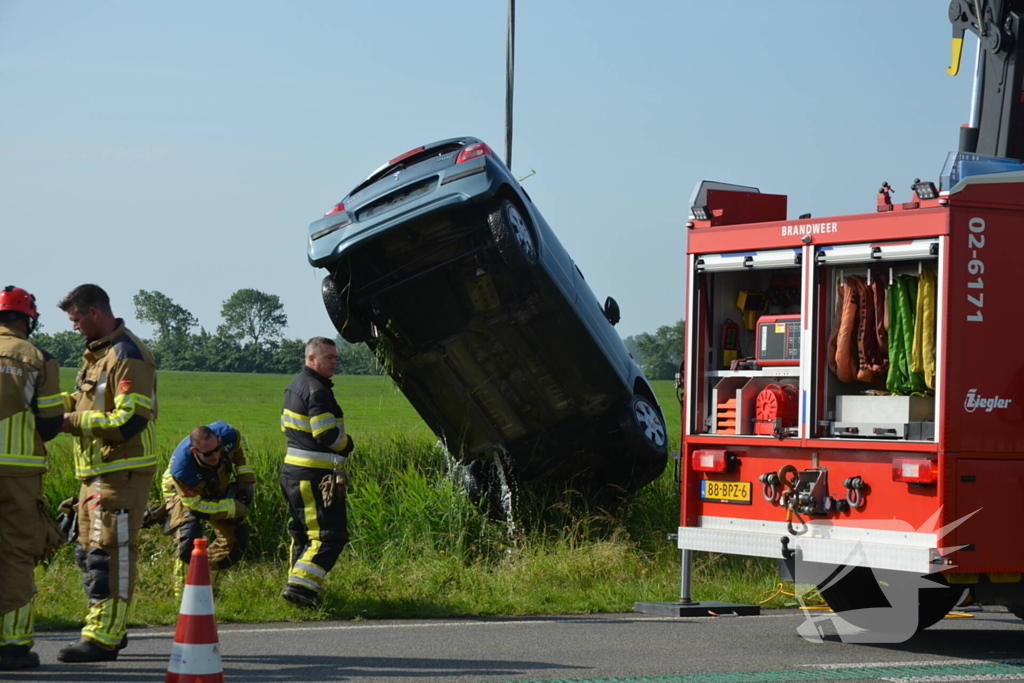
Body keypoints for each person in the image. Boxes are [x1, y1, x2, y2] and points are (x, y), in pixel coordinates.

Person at [56, 284, 158, 663]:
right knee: (88, 553)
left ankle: (104, 637)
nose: (74, 327)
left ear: (95, 313)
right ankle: (109, 626)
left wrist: (71, 422)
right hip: (97, 473)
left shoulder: (127, 355)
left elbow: (130, 419)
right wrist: (52, 408)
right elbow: (86, 400)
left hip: (122, 472)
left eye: (76, 319)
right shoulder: (98, 355)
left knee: (109, 555)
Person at [0, 286, 63, 671]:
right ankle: (12, 647)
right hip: (17, 473)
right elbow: (52, 422)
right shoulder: (37, 357)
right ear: (28, 320)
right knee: (16, 555)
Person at [279, 336, 354, 608]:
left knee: (303, 534)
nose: (334, 362)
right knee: (330, 535)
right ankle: (301, 588)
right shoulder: (317, 390)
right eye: (328, 357)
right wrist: (347, 444)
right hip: (312, 475)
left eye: (335, 357)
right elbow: (325, 434)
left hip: (294, 472)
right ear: (311, 359)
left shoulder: (296, 385)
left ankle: (296, 589)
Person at [161, 422, 255, 598]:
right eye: (208, 454)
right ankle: (182, 596)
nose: (215, 456)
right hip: (182, 494)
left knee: (237, 539)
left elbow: (241, 449)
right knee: (189, 540)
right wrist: (231, 507)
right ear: (195, 452)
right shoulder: (182, 472)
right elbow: (196, 506)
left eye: (217, 449)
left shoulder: (229, 436)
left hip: (214, 482)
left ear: (219, 441)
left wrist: (246, 478)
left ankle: (208, 588)